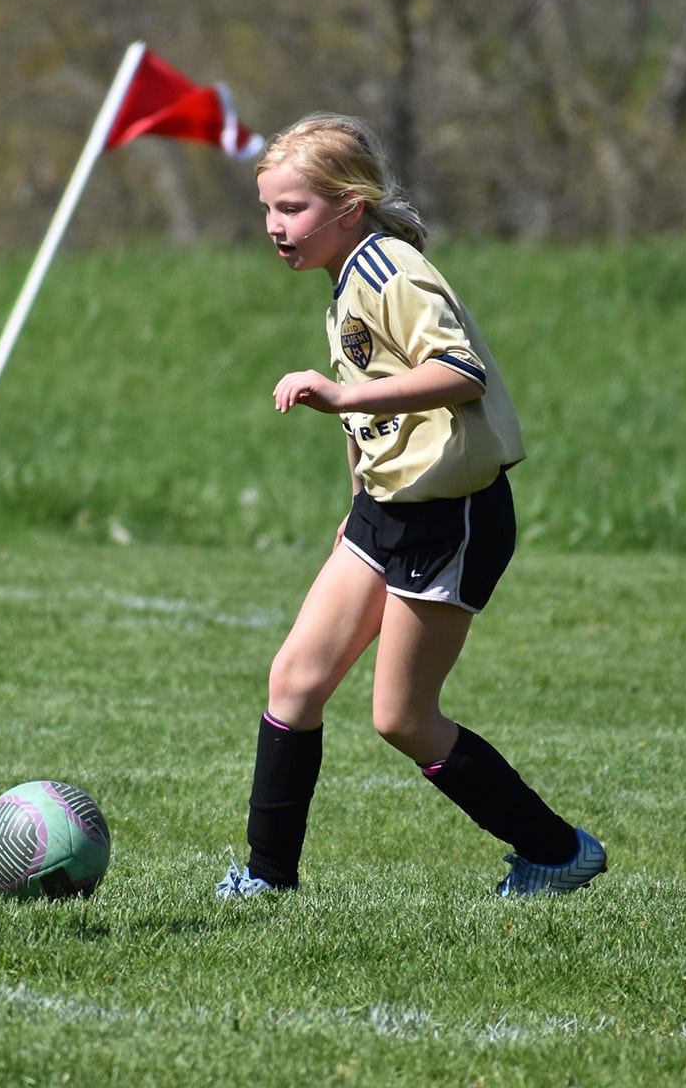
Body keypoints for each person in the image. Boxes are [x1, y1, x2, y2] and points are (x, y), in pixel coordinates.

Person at [216, 112, 605, 900]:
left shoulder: (392, 271)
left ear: (349, 208)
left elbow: (460, 373)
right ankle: (266, 880)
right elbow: (371, 415)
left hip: (451, 517)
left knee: (402, 717)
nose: (274, 227)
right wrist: (356, 496)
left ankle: (559, 851)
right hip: (385, 511)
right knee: (294, 681)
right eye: (267, 209)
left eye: (291, 209)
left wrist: (341, 394)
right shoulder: (344, 279)